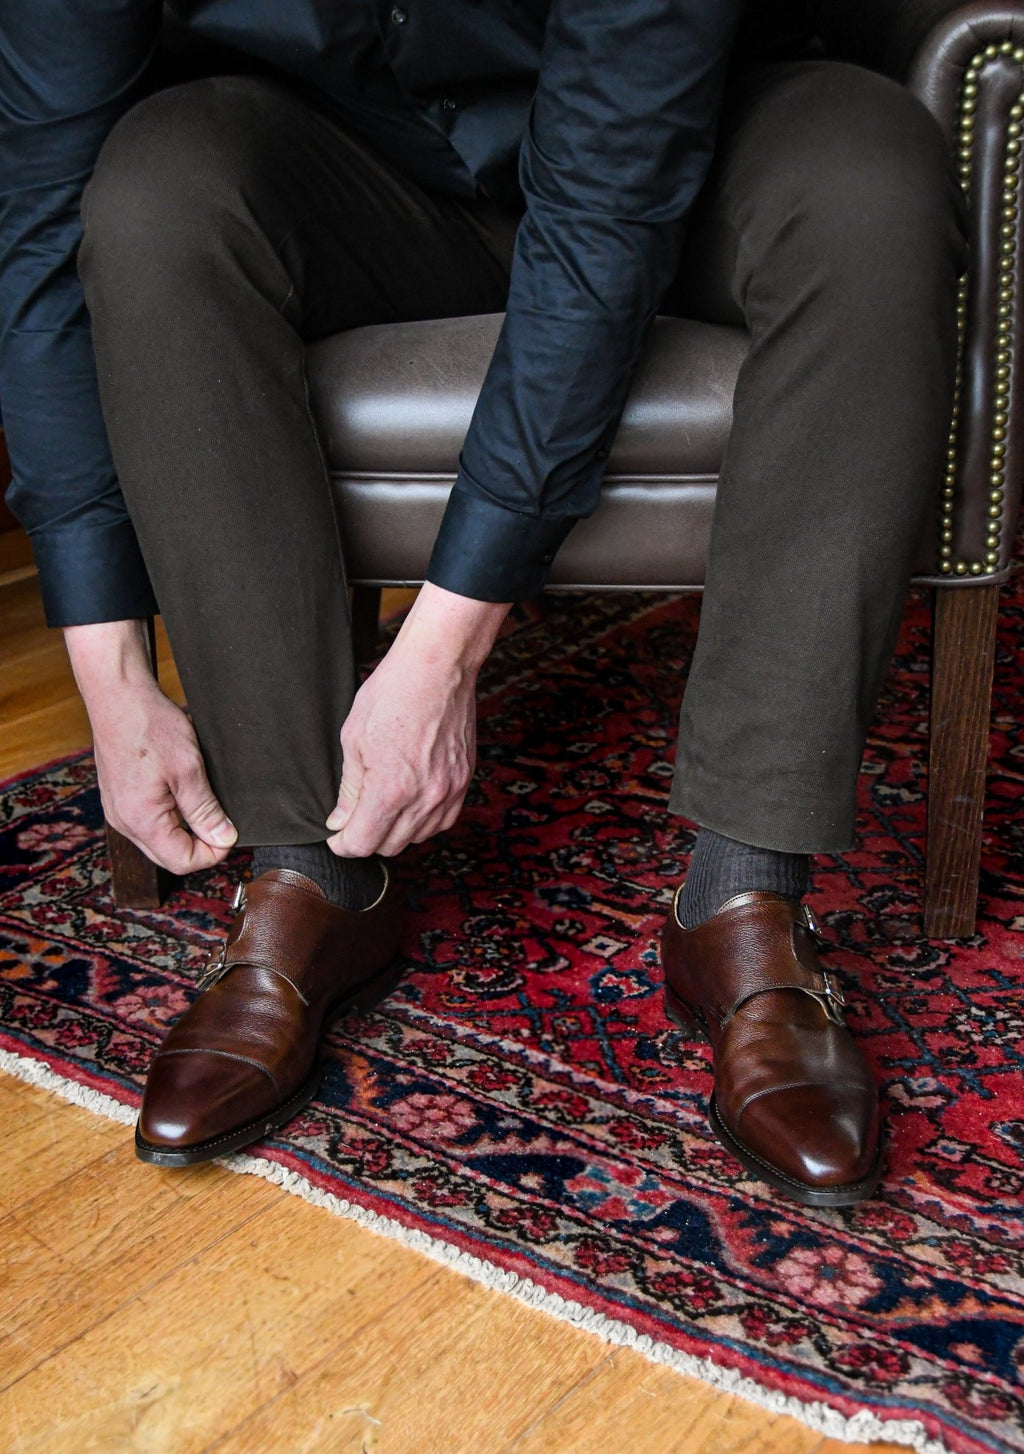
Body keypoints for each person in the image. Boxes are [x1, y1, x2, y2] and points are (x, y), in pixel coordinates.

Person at [0, 0, 965, 1206]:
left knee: (872, 173)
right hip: (360, 166)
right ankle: (310, 869)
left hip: (683, 153)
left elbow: (603, 211)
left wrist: (441, 648)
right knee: (153, 184)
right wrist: (111, 675)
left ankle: (740, 899)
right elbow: (38, 229)